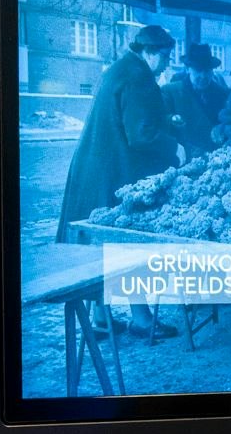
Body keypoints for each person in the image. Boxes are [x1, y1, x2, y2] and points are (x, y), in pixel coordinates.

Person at [58, 23, 181, 338]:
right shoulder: (139, 77)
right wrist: (175, 147)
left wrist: (165, 120)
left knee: (102, 245)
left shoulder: (116, 71)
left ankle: (102, 318)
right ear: (150, 53)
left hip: (93, 172)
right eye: (166, 56)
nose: (168, 63)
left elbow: (125, 119)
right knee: (129, 243)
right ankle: (141, 319)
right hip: (116, 176)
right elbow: (141, 135)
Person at [166, 45, 230, 162]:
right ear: (188, 69)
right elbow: (161, 123)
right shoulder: (170, 92)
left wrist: (223, 127)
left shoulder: (223, 94)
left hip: (216, 161)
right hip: (183, 160)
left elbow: (230, 123)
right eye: (198, 70)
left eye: (207, 70)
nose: (203, 76)